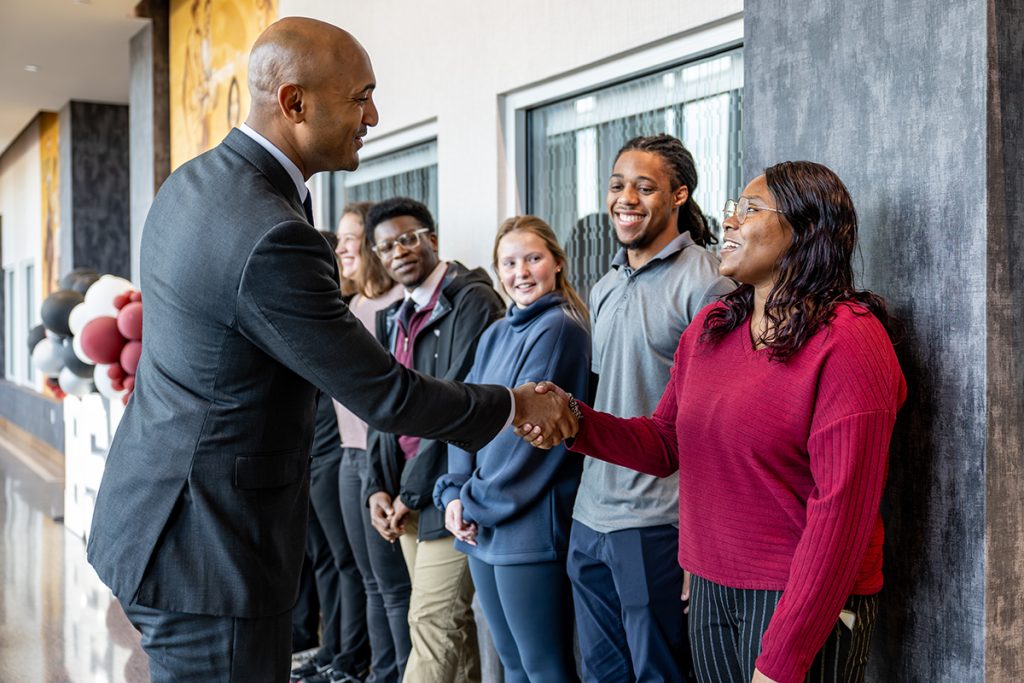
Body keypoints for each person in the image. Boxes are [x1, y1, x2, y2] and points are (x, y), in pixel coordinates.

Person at [86, 17, 574, 683]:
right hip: (208, 551)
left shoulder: (194, 182)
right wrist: (515, 402)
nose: (373, 114)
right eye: (360, 96)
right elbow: (386, 393)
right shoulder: (270, 234)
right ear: (294, 102)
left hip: (156, 519)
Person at [526, 161, 907, 683]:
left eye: (749, 210)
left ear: (807, 227)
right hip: (710, 589)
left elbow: (842, 514)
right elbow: (664, 444)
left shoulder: (849, 340)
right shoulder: (712, 327)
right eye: (732, 208)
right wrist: (576, 421)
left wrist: (783, 658)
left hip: (801, 600)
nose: (729, 222)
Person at [566, 134, 734, 683]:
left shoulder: (708, 281)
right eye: (618, 185)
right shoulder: (604, 286)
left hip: (658, 521)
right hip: (590, 514)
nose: (626, 199)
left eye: (645, 187)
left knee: (658, 674)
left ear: (679, 194)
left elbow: (718, 421)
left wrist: (699, 538)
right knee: (601, 674)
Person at [433, 216, 589, 683]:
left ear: (557, 264)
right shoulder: (496, 333)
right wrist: (455, 492)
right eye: (509, 262)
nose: (521, 272)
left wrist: (473, 501)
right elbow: (470, 416)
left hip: (530, 525)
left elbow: (530, 439)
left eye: (533, 259)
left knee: (544, 667)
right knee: (510, 663)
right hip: (481, 523)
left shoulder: (561, 330)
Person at [363, 197, 504, 683]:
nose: (397, 251)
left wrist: (411, 491)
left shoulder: (473, 301)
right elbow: (382, 406)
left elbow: (458, 405)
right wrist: (376, 487)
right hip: (405, 492)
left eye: (407, 238)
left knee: (430, 621)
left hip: (452, 490)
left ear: (432, 239)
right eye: (385, 247)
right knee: (450, 633)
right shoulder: (394, 316)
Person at [330, 201, 412, 683]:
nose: (342, 247)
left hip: (381, 462)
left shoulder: (397, 305)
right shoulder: (354, 305)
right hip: (348, 456)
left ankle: (398, 674)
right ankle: (380, 672)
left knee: (393, 586)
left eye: (350, 238)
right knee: (370, 581)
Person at [291, 229, 371, 683]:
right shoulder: (306, 312)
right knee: (327, 560)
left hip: (336, 454)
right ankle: (333, 649)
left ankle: (347, 657)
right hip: (314, 456)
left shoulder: (343, 314)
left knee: (344, 562)